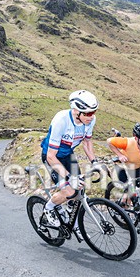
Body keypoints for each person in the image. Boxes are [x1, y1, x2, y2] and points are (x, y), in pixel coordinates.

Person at [40, 90, 99, 227]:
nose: (91, 117)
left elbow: (86, 142)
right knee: (69, 190)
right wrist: (68, 176)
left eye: (94, 112)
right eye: (88, 113)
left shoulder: (90, 120)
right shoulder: (61, 120)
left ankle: (69, 211)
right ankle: (48, 208)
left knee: (79, 187)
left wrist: (94, 162)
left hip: (68, 154)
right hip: (52, 157)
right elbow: (51, 156)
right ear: (76, 110)